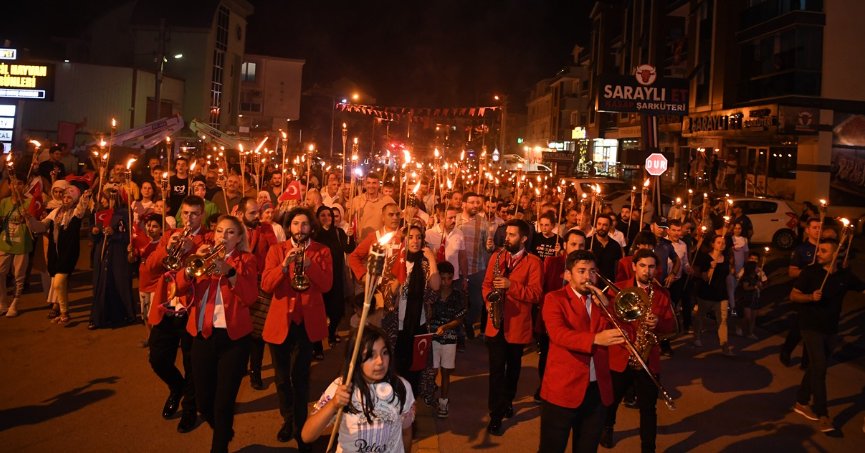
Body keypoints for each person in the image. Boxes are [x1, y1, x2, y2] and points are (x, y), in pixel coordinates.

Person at [176, 215, 257, 453]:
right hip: (202, 336)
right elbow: (179, 287)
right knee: (203, 401)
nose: (224, 236)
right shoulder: (202, 256)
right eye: (220, 231)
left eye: (230, 232)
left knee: (224, 403)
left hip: (233, 340)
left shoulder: (246, 260)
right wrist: (192, 266)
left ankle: (219, 446)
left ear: (240, 237)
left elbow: (251, 297)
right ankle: (223, 429)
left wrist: (231, 273)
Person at [261, 207, 333, 449]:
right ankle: (288, 419)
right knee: (282, 379)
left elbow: (326, 285)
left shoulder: (322, 251)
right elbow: (267, 285)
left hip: (306, 324)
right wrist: (283, 265)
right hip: (280, 322)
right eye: (295, 224)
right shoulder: (276, 250)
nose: (300, 229)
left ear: (311, 228)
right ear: (289, 227)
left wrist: (310, 265)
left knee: (300, 377)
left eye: (304, 225)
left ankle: (301, 427)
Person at [539, 250, 624, 453]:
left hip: (596, 390)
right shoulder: (554, 298)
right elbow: (559, 334)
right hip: (563, 389)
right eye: (582, 271)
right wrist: (595, 339)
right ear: (568, 274)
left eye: (592, 271)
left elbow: (624, 332)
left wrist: (608, 307)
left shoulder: (602, 301)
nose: (588, 277)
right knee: (552, 448)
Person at [143, 195, 210, 433]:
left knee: (192, 364)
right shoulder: (169, 235)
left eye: (194, 214)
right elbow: (150, 267)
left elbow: (206, 274)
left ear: (202, 215)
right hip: (167, 307)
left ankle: (190, 409)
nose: (189, 218)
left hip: (192, 309)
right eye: (185, 213)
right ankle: (176, 386)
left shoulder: (209, 238)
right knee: (158, 359)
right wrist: (166, 249)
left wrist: (196, 251)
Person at [601, 249, 676, 452]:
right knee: (611, 400)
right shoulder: (617, 289)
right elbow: (607, 320)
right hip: (621, 354)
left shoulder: (662, 294)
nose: (647, 270)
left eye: (651, 267)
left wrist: (659, 322)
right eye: (642, 265)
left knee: (648, 408)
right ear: (634, 266)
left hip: (647, 357)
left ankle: (648, 446)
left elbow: (670, 327)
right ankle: (607, 428)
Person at [789, 238, 865, 433]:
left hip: (830, 329)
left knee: (815, 366)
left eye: (823, 251)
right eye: (818, 250)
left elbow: (861, 287)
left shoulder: (844, 276)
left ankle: (801, 401)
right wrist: (809, 297)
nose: (818, 254)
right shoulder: (810, 272)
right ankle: (823, 414)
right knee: (820, 368)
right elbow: (794, 295)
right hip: (810, 326)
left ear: (834, 254)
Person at [301, 325, 415, 452]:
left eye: (384, 352)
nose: (380, 361)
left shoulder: (401, 387)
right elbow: (307, 435)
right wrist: (333, 405)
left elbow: (406, 433)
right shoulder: (341, 387)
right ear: (355, 359)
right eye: (370, 355)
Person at [482, 219, 543, 435]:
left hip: (517, 325)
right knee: (496, 371)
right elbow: (487, 284)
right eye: (506, 234)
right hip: (496, 323)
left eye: (512, 235)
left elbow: (535, 294)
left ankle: (508, 400)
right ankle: (495, 415)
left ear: (524, 238)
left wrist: (511, 286)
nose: (506, 238)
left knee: (513, 370)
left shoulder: (534, 262)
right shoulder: (497, 256)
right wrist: (491, 304)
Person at [535, 228, 587, 401]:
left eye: (581, 245)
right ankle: (544, 386)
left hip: (575, 320)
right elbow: (544, 289)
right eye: (573, 244)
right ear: (565, 245)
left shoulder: (588, 268)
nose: (577, 248)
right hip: (551, 317)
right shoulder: (552, 262)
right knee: (546, 355)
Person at [28, 186, 90, 326]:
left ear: (74, 200)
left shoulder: (76, 213)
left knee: (58, 282)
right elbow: (41, 227)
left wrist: (85, 197)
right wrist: (30, 219)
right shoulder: (56, 212)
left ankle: (64, 313)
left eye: (70, 197)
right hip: (55, 253)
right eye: (65, 197)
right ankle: (64, 313)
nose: (66, 199)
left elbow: (82, 207)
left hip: (68, 253)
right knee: (58, 285)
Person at [238, 197, 281, 390]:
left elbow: (274, 250)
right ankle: (240, 365)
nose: (257, 216)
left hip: (259, 285)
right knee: (239, 328)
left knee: (257, 332)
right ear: (241, 214)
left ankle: (255, 371)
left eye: (258, 212)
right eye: (252, 213)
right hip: (238, 283)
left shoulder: (266, 228)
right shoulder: (236, 231)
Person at [90, 186, 137, 329]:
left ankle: (123, 315)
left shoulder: (125, 213)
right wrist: (95, 231)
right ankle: (100, 317)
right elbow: (92, 235)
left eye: (105, 198)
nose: (103, 201)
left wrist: (114, 234)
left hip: (118, 253)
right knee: (102, 284)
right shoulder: (99, 212)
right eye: (102, 198)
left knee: (119, 283)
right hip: (103, 252)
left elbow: (129, 234)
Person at [312, 205, 357, 347]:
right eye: (323, 215)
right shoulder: (315, 235)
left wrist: (350, 237)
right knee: (319, 312)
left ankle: (332, 333)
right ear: (318, 218)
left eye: (329, 215)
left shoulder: (339, 233)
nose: (327, 218)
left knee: (336, 310)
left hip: (336, 278)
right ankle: (317, 345)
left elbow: (348, 248)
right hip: (319, 278)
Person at [426, 261, 465, 418]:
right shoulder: (432, 295)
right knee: (433, 371)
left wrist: (446, 327)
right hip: (433, 338)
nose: (446, 282)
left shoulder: (457, 296)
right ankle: (430, 397)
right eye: (443, 278)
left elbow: (460, 318)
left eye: (449, 278)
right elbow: (427, 315)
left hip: (449, 339)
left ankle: (443, 401)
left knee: (446, 372)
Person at [457, 192, 495, 340]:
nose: (475, 205)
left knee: (478, 302)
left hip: (476, 268)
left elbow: (489, 247)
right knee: (458, 302)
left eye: (477, 203)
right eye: (471, 202)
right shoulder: (457, 220)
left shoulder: (483, 222)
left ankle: (469, 322)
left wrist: (490, 246)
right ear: (464, 204)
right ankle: (459, 331)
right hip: (458, 269)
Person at [693, 234, 735, 356]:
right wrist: (711, 268)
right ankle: (697, 337)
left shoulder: (727, 259)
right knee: (700, 316)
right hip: (706, 293)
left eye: (723, 243)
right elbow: (704, 278)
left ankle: (724, 345)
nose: (721, 244)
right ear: (713, 244)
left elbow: (728, 276)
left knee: (722, 320)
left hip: (722, 295)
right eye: (718, 242)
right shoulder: (705, 258)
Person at [348, 174, 396, 239]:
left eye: (374, 183)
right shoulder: (357, 200)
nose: (371, 186)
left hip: (381, 241)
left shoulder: (387, 200)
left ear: (379, 185)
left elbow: (398, 217)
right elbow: (347, 219)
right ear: (365, 184)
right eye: (368, 183)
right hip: (362, 241)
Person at [737, 251, 766, 339]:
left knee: (753, 317)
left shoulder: (758, 274)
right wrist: (755, 286)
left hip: (755, 297)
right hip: (747, 298)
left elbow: (763, 284)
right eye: (751, 259)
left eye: (755, 259)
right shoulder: (746, 275)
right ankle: (739, 326)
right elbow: (745, 286)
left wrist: (760, 285)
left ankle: (750, 333)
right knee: (747, 317)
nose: (753, 261)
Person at [589, 214, 624, 284]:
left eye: (605, 225)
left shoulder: (615, 245)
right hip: (591, 281)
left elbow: (618, 267)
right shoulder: (588, 242)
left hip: (609, 283)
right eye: (599, 224)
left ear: (610, 226)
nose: (601, 227)